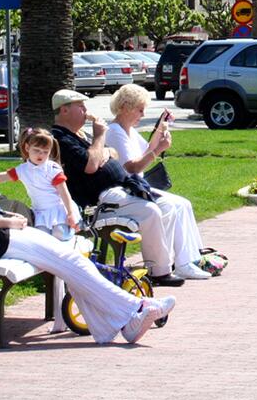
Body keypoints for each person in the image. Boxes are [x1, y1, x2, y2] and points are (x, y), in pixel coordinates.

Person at [0, 114, 173, 344]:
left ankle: (121, 320)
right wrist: (7, 222)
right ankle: (136, 310)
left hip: (1, 234)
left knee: (72, 261)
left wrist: (6, 216)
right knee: (68, 260)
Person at [50, 89, 189, 287]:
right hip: (98, 199)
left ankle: (161, 265)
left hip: (118, 189)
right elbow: (90, 165)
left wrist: (102, 151)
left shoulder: (76, 134)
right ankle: (159, 272)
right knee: (150, 211)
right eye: (80, 107)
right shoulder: (60, 139)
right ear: (64, 110)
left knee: (166, 206)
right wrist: (99, 138)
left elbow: (112, 153)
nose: (85, 110)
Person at [103, 84, 210, 281]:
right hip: (128, 189)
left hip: (138, 187)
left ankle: (188, 259)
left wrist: (160, 130)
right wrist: (158, 150)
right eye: (139, 109)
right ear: (125, 107)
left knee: (183, 204)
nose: (142, 114)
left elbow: (145, 151)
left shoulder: (129, 131)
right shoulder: (115, 132)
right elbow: (132, 167)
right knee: (168, 206)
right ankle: (165, 264)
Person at [0, 128, 80, 232]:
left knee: (60, 233)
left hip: (59, 210)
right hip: (40, 212)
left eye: (45, 152)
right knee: (41, 236)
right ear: (27, 147)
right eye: (36, 150)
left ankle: (73, 231)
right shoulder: (22, 170)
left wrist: (70, 213)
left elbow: (64, 193)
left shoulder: (52, 169)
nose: (41, 155)